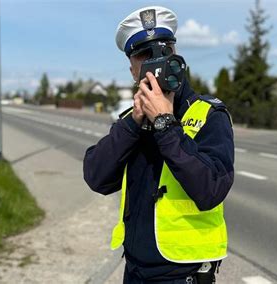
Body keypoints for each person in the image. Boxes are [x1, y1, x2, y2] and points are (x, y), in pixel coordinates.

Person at [83, 6, 235, 284]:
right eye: (144, 55)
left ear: (176, 57)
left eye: (164, 51)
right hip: (135, 269)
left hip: (183, 272)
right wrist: (133, 125)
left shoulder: (207, 114)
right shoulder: (132, 120)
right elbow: (96, 177)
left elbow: (211, 188)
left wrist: (166, 124)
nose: (155, 62)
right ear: (132, 69)